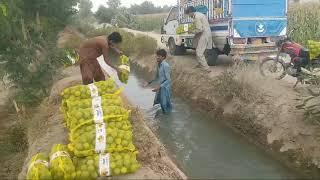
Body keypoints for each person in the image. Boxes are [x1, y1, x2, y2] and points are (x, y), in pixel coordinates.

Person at [185, 6, 212, 73]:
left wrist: (191, 31)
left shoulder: (197, 17)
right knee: (198, 49)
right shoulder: (198, 14)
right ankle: (200, 64)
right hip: (204, 34)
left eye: (188, 14)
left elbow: (199, 29)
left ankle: (206, 69)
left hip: (204, 34)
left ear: (191, 12)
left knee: (199, 52)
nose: (188, 16)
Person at [145, 49, 172, 114]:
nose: (157, 57)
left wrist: (160, 87)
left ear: (163, 57)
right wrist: (149, 82)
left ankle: (166, 118)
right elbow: (156, 77)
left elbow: (168, 80)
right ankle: (158, 116)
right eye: (157, 56)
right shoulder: (158, 65)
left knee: (164, 104)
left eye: (159, 56)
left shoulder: (166, 66)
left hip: (165, 88)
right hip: (160, 87)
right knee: (156, 101)